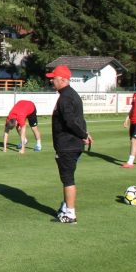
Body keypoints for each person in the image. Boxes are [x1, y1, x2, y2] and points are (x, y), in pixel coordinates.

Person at [47, 65, 92, 224]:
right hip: (71, 143)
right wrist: (84, 134)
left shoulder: (66, 97)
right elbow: (80, 119)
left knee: (67, 179)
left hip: (67, 144)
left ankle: (70, 214)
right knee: (67, 178)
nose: (52, 80)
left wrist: (83, 135)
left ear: (63, 80)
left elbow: (70, 121)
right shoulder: (71, 94)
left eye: (54, 78)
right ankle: (65, 207)